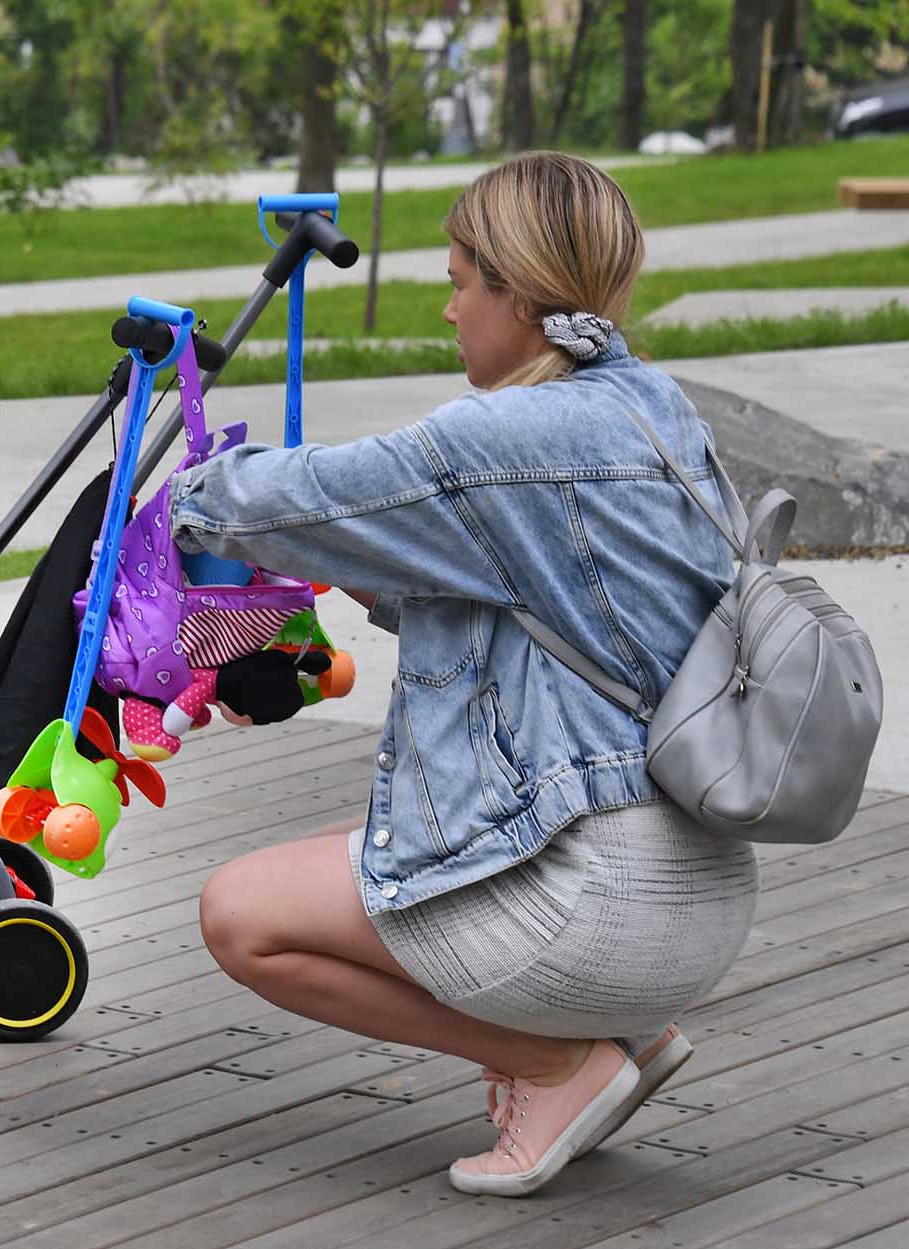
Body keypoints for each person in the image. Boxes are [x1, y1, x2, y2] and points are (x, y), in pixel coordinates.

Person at [177, 151, 758, 1198]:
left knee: (240, 914)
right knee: (334, 870)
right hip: (707, 898)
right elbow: (555, 596)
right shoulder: (661, 413)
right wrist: (377, 575)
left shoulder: (495, 438)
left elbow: (277, 500)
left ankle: (554, 1060)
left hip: (590, 909)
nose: (449, 313)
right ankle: (622, 1036)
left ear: (518, 294)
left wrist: (177, 484)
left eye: (458, 282)